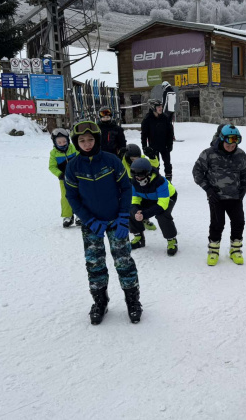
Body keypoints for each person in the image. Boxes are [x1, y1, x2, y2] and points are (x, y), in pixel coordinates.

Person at [64, 120, 141, 325]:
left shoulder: (112, 161)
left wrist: (124, 218)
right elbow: (72, 198)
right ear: (76, 142)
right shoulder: (73, 167)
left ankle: (132, 301)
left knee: (124, 262)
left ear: (96, 139)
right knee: (95, 264)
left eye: (90, 139)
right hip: (92, 225)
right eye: (82, 140)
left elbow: (126, 188)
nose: (87, 143)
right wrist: (89, 221)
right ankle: (100, 301)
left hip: (117, 221)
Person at [193, 124, 246, 266]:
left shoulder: (240, 154)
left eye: (234, 144)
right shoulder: (209, 154)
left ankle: (235, 250)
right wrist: (208, 189)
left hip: (235, 197)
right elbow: (197, 172)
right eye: (228, 144)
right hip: (216, 197)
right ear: (221, 139)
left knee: (239, 222)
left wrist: (243, 187)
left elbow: (245, 172)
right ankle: (213, 251)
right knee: (217, 224)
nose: (231, 147)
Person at [129, 158, 179, 256]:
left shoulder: (160, 181)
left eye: (141, 176)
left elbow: (162, 205)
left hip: (168, 197)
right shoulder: (134, 182)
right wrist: (136, 211)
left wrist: (144, 214)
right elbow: (134, 199)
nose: (138, 178)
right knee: (131, 211)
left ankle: (171, 239)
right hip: (148, 197)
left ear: (148, 173)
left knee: (162, 215)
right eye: (135, 176)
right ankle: (138, 236)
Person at [123, 143, 159, 232]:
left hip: (140, 185)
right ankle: (127, 221)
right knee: (129, 204)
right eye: (132, 159)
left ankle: (144, 219)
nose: (135, 161)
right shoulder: (123, 161)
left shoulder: (142, 160)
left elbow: (154, 165)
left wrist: (152, 157)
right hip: (127, 185)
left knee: (143, 202)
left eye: (136, 159)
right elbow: (116, 164)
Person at [48, 128, 80, 227]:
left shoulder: (73, 149)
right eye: (59, 142)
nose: (62, 144)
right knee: (66, 197)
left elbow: (81, 159)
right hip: (64, 179)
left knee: (80, 195)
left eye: (64, 141)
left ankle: (80, 215)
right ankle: (68, 216)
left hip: (77, 178)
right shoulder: (54, 153)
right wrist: (59, 174)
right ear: (55, 142)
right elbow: (52, 166)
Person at [141, 99, 174, 181]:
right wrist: (144, 147)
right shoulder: (147, 119)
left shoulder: (165, 117)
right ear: (153, 108)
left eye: (161, 106)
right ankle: (156, 181)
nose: (161, 108)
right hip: (153, 146)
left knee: (167, 164)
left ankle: (168, 181)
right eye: (158, 107)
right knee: (155, 165)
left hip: (164, 145)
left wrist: (170, 144)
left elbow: (170, 132)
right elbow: (144, 135)